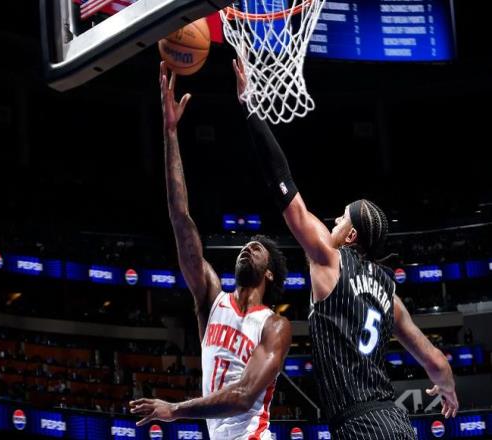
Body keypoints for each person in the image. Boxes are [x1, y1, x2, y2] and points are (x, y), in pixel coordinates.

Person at [232, 58, 458, 439]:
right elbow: (436, 361)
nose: (333, 222)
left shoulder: (329, 259)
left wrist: (251, 109)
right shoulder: (389, 296)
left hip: (358, 424)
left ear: (351, 236)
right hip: (396, 423)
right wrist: (448, 389)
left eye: (340, 220)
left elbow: (284, 186)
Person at [129, 62, 292, 440]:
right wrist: (170, 132)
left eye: (258, 249)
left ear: (269, 273)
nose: (248, 248)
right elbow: (180, 217)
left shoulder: (274, 326)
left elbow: (244, 396)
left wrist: (174, 409)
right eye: (246, 246)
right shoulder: (211, 298)